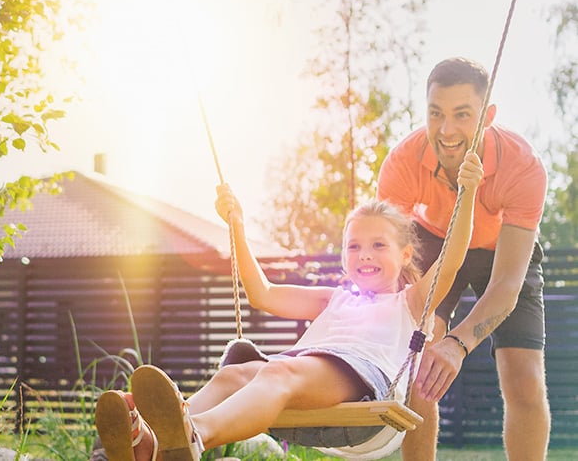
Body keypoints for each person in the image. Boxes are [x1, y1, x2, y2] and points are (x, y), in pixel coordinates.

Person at [93, 151, 483, 461]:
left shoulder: (410, 302)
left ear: (405, 254)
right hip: (307, 368)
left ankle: (194, 434)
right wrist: (237, 228)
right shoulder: (334, 299)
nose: (365, 255)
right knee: (236, 374)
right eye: (354, 246)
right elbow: (262, 293)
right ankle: (152, 445)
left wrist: (466, 196)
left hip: (365, 384)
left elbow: (451, 258)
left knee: (279, 372)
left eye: (379, 245)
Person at [376, 56, 551, 461]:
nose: (446, 130)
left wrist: (458, 343)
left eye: (462, 115)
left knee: (525, 380)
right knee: (420, 368)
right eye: (436, 114)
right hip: (435, 242)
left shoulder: (523, 167)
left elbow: (507, 284)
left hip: (501, 250)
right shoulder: (402, 163)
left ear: (487, 116)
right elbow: (388, 254)